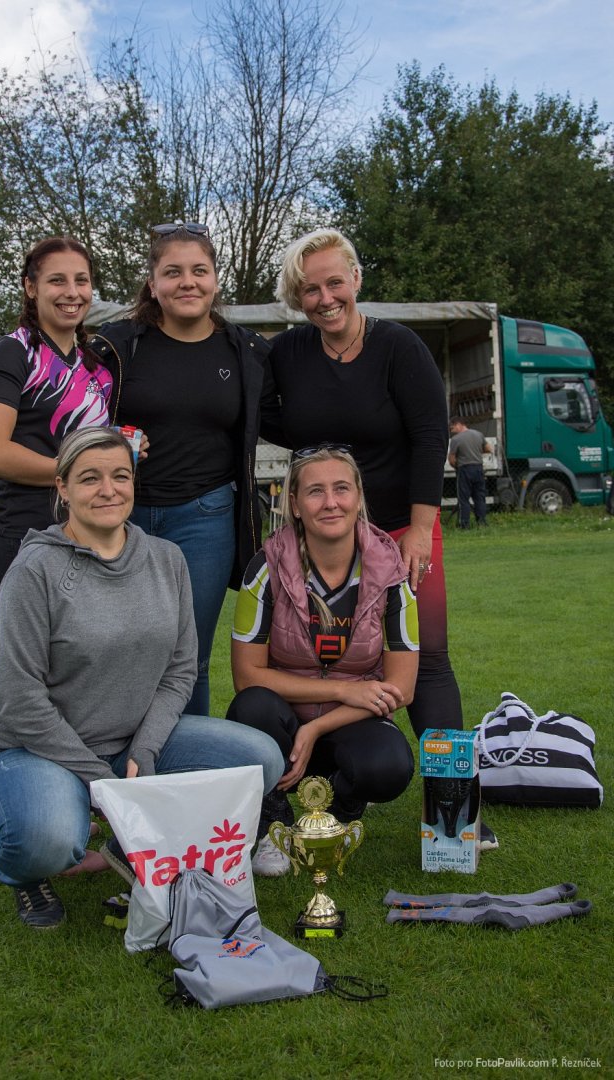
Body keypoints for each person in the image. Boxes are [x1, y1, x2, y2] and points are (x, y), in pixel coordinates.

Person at [0, 427, 284, 928]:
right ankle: (24, 869)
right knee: (47, 839)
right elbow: (18, 700)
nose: (108, 490)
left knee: (260, 760)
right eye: (89, 479)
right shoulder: (34, 570)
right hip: (34, 750)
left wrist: (145, 749)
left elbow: (180, 670)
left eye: (120, 476)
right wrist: (100, 780)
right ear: (62, 487)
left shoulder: (166, 559)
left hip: (130, 744)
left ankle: (131, 846)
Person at [261, 227, 461, 741]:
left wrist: (421, 530)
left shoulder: (399, 347)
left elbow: (430, 436)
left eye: (334, 283)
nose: (325, 299)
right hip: (323, 538)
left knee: (426, 652)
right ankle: (337, 765)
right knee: (322, 660)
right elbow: (256, 411)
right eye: (310, 289)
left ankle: (451, 784)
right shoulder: (286, 353)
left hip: (400, 526)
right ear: (297, 297)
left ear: (356, 278)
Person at [88, 222, 269, 716]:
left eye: (198, 271)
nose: (187, 282)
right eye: (172, 272)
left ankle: (186, 760)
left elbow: (303, 395)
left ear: (214, 279)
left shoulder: (246, 350)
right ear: (153, 284)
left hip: (205, 518)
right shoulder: (116, 345)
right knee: (113, 652)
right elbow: (55, 384)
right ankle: (115, 755)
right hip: (118, 518)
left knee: (188, 657)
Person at [226, 445, 419, 876]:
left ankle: (339, 813)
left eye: (341, 489)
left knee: (389, 765)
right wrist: (341, 689)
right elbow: (246, 675)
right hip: (282, 720)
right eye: (315, 491)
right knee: (251, 707)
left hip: (351, 722)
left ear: (358, 497)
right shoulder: (264, 568)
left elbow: (402, 687)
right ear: (294, 504)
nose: (331, 502)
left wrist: (317, 726)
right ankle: (274, 822)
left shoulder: (392, 573)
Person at [0, 236, 113, 591]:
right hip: (26, 535)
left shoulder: (97, 368)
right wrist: (80, 476)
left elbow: (86, 445)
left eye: (81, 280)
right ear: (31, 287)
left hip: (90, 532)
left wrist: (121, 448)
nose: (72, 292)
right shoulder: (14, 352)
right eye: (57, 280)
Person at [448, 416, 492, 528]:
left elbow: (451, 459)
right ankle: (482, 522)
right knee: (479, 497)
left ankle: (464, 524)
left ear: (458, 424)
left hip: (464, 470)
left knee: (463, 498)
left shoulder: (456, 439)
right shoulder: (478, 434)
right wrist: (477, 452)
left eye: (452, 428)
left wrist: (457, 466)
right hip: (478, 468)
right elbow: (488, 449)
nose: (451, 431)